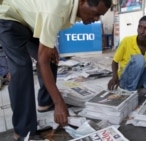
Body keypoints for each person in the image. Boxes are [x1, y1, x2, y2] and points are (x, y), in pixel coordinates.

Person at [0, 0, 112, 140]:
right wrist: (59, 102)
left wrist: (49, 47)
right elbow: (41, 62)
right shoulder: (58, 10)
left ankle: (45, 102)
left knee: (51, 57)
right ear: (83, 2)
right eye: (96, 14)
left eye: (100, 16)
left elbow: (46, 26)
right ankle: (24, 132)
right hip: (9, 18)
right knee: (22, 68)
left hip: (30, 22)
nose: (96, 19)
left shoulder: (69, 8)